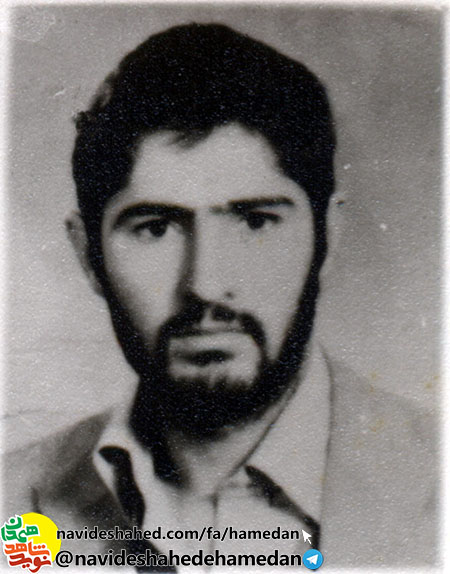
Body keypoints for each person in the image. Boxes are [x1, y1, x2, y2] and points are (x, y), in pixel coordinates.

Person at [5, 23, 437, 569]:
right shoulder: (11, 504)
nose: (206, 284)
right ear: (89, 255)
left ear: (326, 238)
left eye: (255, 221)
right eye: (155, 228)